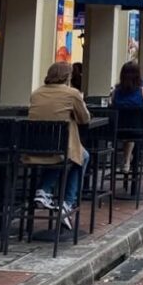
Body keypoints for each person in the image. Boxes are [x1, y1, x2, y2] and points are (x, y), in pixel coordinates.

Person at [29, 62, 90, 229]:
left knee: (61, 154)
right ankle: (67, 203)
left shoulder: (36, 93)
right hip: (60, 150)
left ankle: (44, 190)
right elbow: (84, 119)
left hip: (33, 149)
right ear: (67, 77)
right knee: (82, 156)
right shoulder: (72, 93)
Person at [111, 61, 143, 173]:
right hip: (137, 132)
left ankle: (126, 160)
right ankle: (127, 160)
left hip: (117, 132)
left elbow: (112, 109)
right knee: (132, 130)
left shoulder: (115, 92)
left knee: (128, 130)